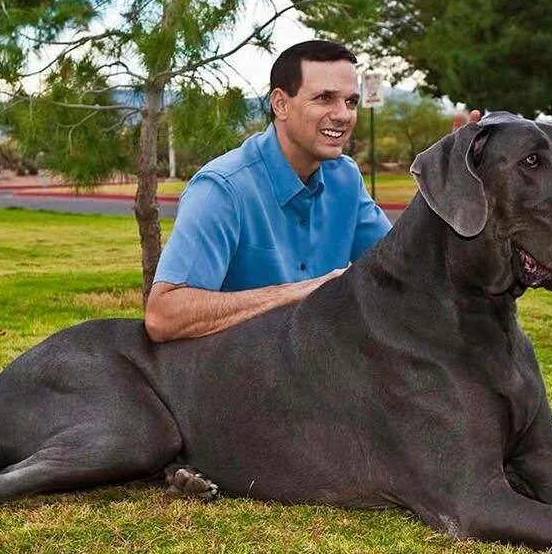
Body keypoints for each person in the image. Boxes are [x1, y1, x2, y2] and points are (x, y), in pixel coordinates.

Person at [143, 40, 392, 342]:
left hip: (320, 369)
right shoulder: (222, 189)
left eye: (351, 102)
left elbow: (401, 268)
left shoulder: (346, 178)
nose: (343, 115)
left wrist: (460, 164)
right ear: (280, 104)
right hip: (234, 375)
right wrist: (299, 293)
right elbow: (163, 315)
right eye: (325, 98)